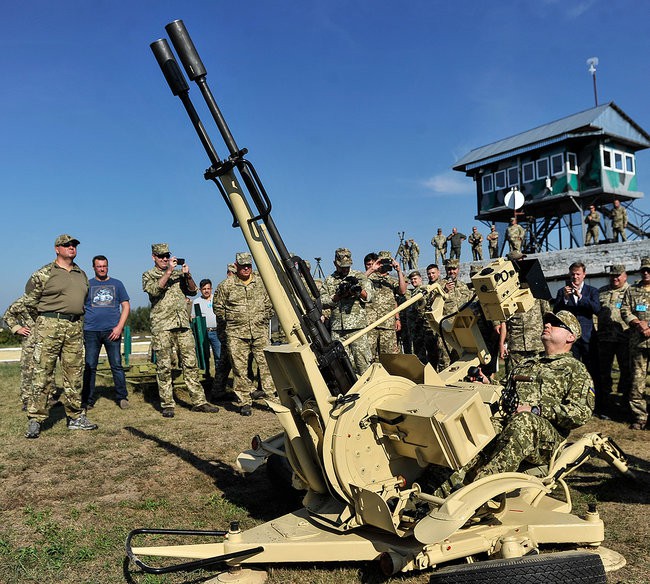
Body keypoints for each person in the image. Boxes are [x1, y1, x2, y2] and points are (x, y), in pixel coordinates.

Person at [472, 311, 595, 479]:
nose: (547, 325)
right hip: (510, 424)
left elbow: (581, 413)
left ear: (571, 337)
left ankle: (483, 485)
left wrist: (536, 410)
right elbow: (507, 391)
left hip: (546, 440)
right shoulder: (526, 363)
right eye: (547, 322)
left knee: (524, 421)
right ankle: (442, 486)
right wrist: (488, 384)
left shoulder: (575, 369)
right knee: (480, 424)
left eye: (555, 324)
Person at [22, 234, 98, 438]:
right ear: (57, 248)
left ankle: (75, 417)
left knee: (74, 374)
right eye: (66, 245)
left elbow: (84, 299)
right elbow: (29, 301)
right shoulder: (44, 273)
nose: (71, 247)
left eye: (74, 245)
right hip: (49, 325)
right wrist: (43, 321)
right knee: (43, 372)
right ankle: (35, 419)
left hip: (74, 327)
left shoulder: (80, 273)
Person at [142, 243, 219, 418]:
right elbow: (154, 291)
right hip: (162, 325)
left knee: (190, 363)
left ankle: (199, 401)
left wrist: (188, 275)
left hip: (182, 324)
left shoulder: (178, 274)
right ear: (153, 257)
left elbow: (192, 291)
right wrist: (168, 272)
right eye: (160, 256)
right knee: (164, 366)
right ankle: (168, 404)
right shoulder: (148, 275)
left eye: (166, 256)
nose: (164, 259)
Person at [213, 252, 275, 416]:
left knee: (267, 367)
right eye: (243, 265)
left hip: (259, 332)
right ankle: (244, 402)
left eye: (249, 265)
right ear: (236, 265)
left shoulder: (261, 283)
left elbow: (270, 303)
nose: (246, 268)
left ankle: (272, 400)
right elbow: (218, 307)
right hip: (236, 334)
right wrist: (233, 319)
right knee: (240, 370)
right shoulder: (226, 285)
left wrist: (263, 318)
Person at [82, 255, 130, 410]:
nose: (102, 269)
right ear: (94, 267)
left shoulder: (117, 284)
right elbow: (79, 306)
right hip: (91, 331)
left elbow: (126, 306)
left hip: (112, 331)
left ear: (107, 266)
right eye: (99, 266)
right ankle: (87, 400)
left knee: (116, 365)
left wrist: (119, 327)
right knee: (90, 366)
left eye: (104, 266)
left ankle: (122, 397)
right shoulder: (87, 285)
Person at [320, 248, 373, 376]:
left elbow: (371, 296)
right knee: (344, 365)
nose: (345, 269)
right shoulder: (329, 280)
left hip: (357, 328)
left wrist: (359, 291)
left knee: (363, 362)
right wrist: (337, 296)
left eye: (347, 266)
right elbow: (322, 300)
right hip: (338, 330)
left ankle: (368, 390)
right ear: (335, 263)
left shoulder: (359, 276)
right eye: (342, 266)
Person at [596, 264, 631, 418]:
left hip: (625, 339)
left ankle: (625, 402)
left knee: (627, 371)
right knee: (604, 372)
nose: (615, 278)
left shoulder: (631, 291)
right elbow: (595, 314)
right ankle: (606, 403)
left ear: (625, 276)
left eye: (618, 275)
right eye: (612, 275)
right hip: (605, 339)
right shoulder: (601, 292)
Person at [553, 262, 600, 378]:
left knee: (592, 368)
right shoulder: (562, 292)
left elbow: (597, 309)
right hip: (570, 337)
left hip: (588, 336)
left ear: (584, 274)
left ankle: (593, 393)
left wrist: (581, 297)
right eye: (573, 274)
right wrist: (565, 299)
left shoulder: (592, 291)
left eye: (578, 274)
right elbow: (556, 313)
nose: (575, 277)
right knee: (572, 367)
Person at [620, 257, 650, 430]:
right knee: (637, 381)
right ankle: (640, 417)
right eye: (643, 270)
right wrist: (638, 323)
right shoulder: (632, 291)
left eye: (649, 270)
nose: (646, 273)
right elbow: (624, 309)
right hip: (638, 343)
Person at [364, 251, 407, 360]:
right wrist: (372, 268)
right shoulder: (369, 278)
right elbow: (358, 281)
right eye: (382, 262)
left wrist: (399, 271)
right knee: (368, 356)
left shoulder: (391, 281)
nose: (384, 265)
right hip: (370, 324)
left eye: (387, 262)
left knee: (390, 357)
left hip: (387, 324)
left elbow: (402, 291)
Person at [3, 295, 40, 410]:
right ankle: (27, 399)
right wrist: (17, 328)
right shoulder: (24, 300)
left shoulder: (49, 298)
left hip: (46, 340)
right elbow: (8, 314)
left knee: (47, 367)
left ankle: (48, 396)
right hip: (29, 340)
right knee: (28, 369)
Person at [438, 258, 472, 369]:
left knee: (462, 358)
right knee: (445, 359)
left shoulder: (463, 286)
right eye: (449, 269)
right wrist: (444, 291)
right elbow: (432, 303)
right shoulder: (439, 285)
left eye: (454, 269)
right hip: (446, 328)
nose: (451, 272)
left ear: (458, 269)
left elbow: (470, 303)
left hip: (462, 328)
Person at [192, 278, 221, 379]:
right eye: (204, 289)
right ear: (200, 290)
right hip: (203, 332)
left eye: (208, 288)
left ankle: (219, 377)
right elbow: (193, 317)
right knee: (204, 355)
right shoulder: (196, 302)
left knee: (218, 354)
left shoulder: (216, 299)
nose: (206, 290)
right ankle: (206, 374)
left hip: (216, 331)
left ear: (211, 288)